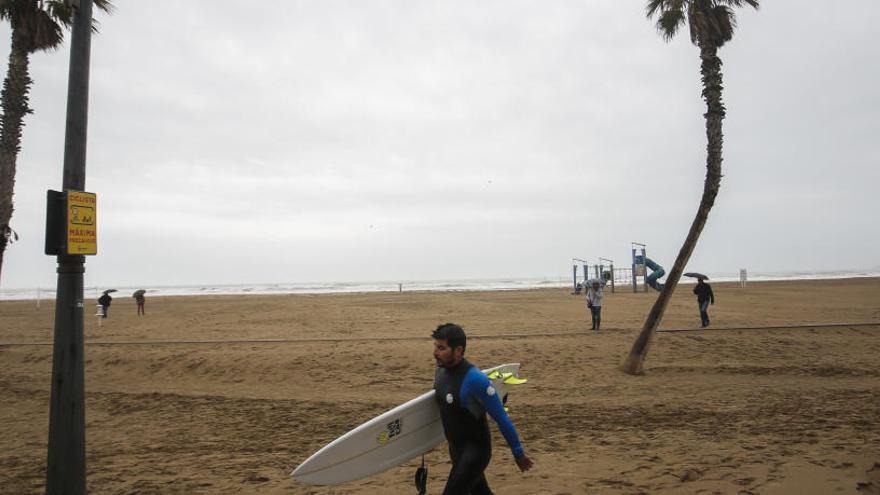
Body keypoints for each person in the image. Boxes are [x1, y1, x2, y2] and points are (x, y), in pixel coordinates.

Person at [432, 323, 533, 494]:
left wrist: (518, 453)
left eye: (441, 348)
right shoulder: (440, 373)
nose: (435, 353)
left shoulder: (475, 379)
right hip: (455, 449)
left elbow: (501, 418)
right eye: (435, 347)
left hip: (476, 452)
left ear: (458, 350)